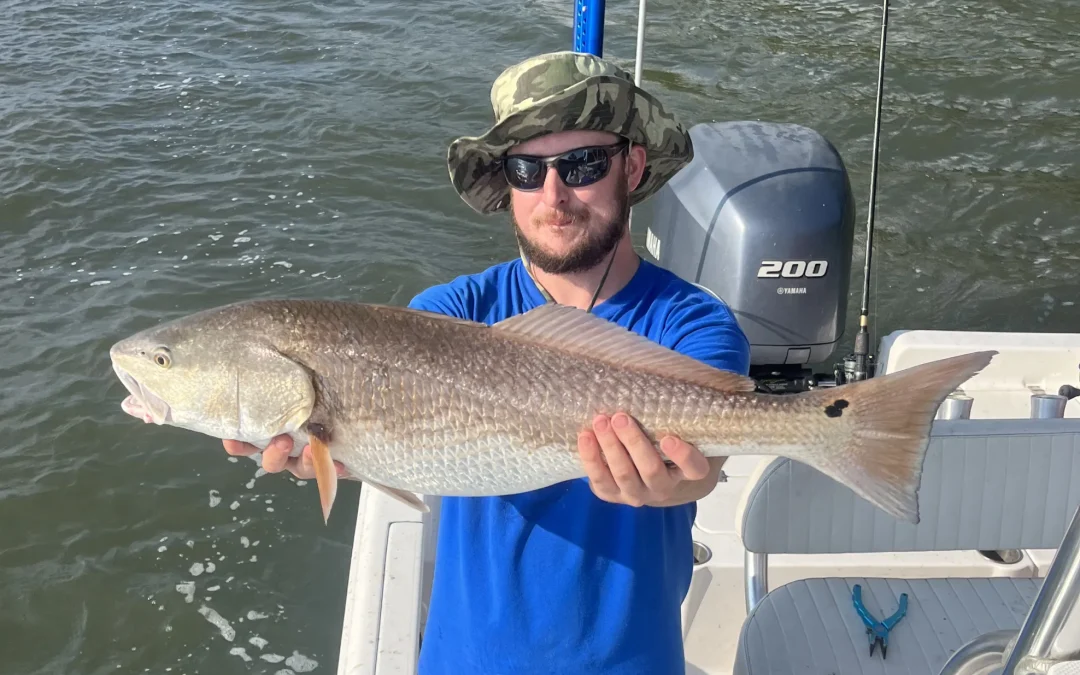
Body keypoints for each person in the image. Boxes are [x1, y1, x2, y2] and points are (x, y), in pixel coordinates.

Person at [223, 51, 751, 674]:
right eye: (527, 169)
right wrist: (329, 454)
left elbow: (704, 462)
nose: (553, 195)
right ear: (506, 183)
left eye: (581, 164)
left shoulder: (691, 322)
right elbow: (398, 440)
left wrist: (684, 483)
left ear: (631, 167)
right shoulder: (451, 312)